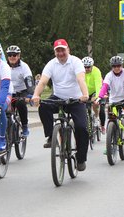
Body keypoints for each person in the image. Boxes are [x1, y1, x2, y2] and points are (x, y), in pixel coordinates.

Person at [31, 39, 89, 171]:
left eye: (63, 50)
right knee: (43, 106)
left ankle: (81, 159)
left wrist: (84, 95)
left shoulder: (76, 62)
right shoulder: (51, 64)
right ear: (55, 52)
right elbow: (43, 81)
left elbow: (81, 79)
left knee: (82, 128)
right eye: (58, 50)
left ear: (68, 49)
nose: (61, 53)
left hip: (76, 100)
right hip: (58, 98)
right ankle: (51, 136)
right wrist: (36, 95)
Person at [98, 56, 124, 138]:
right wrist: (100, 96)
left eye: (118, 66)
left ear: (122, 66)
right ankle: (110, 143)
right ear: (112, 67)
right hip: (113, 100)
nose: (116, 68)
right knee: (112, 120)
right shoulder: (109, 75)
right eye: (114, 66)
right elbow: (105, 86)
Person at [6, 45, 34, 137]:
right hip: (9, 92)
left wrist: (30, 94)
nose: (12, 57)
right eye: (10, 55)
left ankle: (25, 126)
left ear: (19, 56)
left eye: (14, 55)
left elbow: (29, 81)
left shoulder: (24, 66)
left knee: (20, 103)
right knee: (3, 108)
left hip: (22, 91)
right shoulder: (4, 66)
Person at [82, 56, 106, 134]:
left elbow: (98, 84)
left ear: (92, 66)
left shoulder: (96, 71)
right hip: (84, 91)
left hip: (95, 91)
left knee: (99, 107)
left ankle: (97, 118)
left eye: (88, 67)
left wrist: (97, 97)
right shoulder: (80, 71)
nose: (86, 69)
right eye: (84, 67)